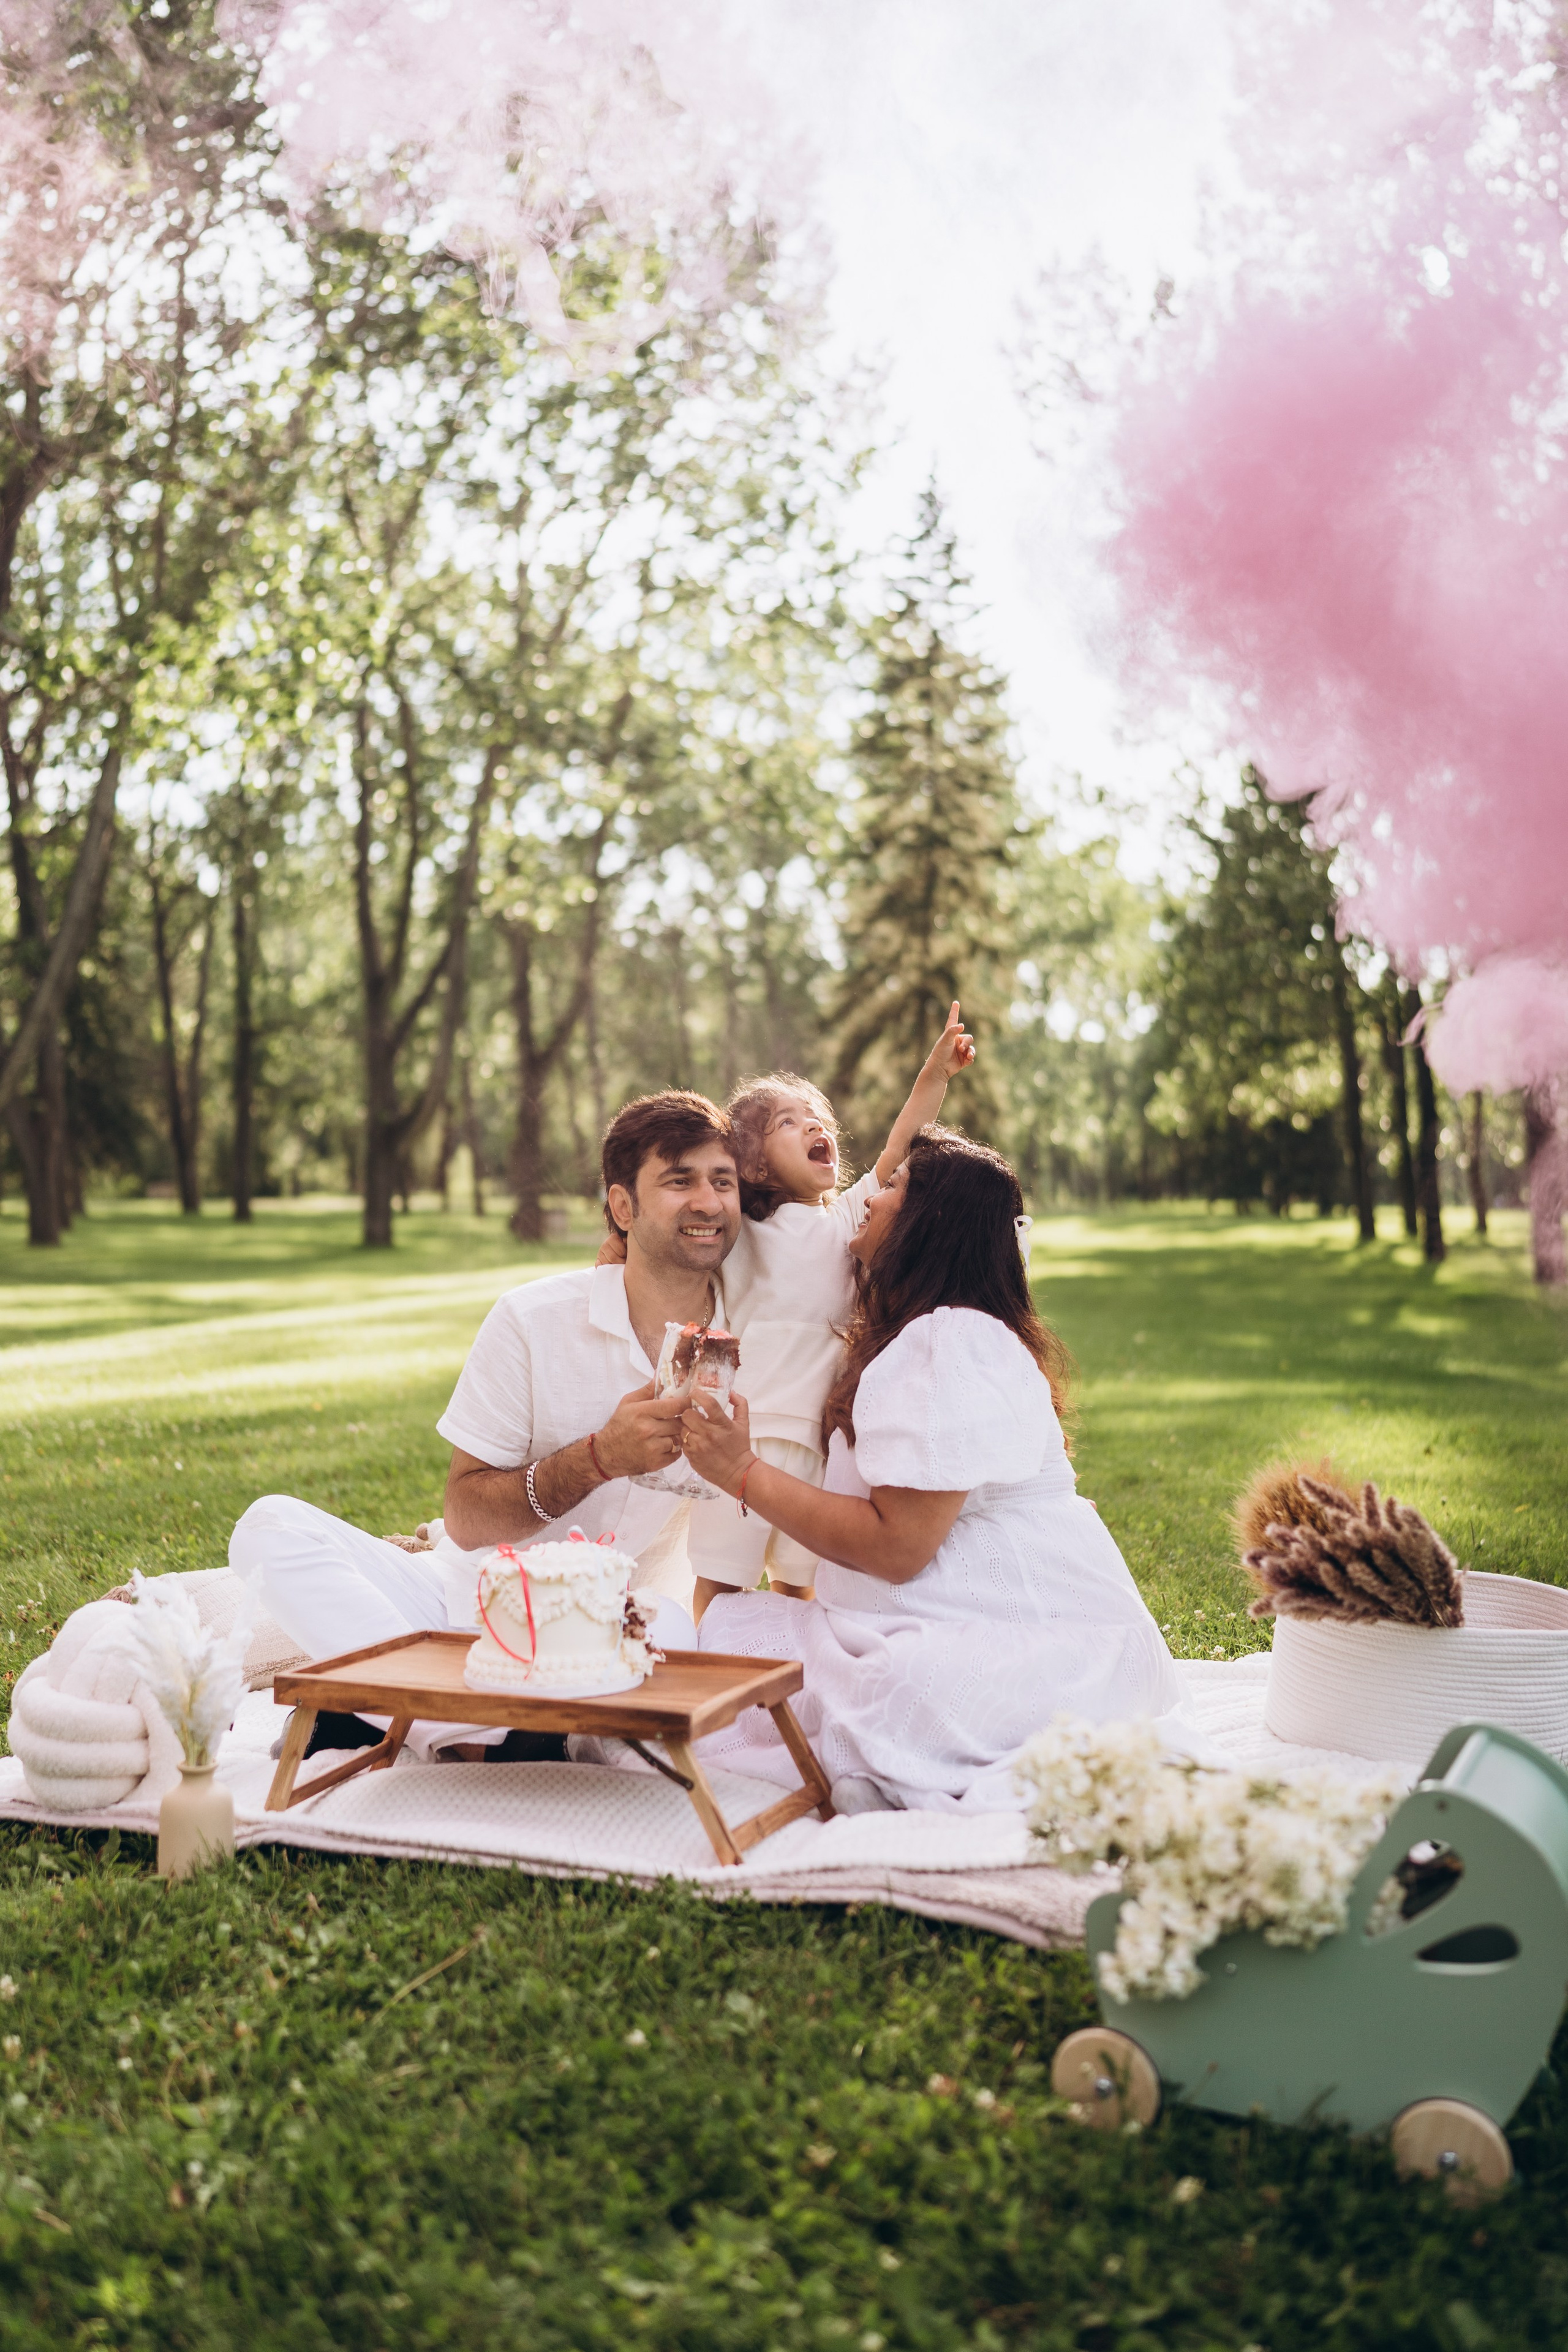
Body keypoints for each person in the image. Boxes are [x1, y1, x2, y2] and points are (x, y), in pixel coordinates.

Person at [676, 1126, 1186, 1812]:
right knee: (718, 1645)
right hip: (943, 1620)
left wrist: (741, 1472)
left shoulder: (949, 1341)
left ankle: (891, 1753)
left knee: (871, 1691)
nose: (871, 1199)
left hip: (1044, 1648)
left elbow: (897, 1548)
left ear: (926, 1225)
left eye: (891, 1189)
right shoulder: (929, 1332)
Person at [228, 1089, 741, 1752]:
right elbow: (466, 1519)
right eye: (680, 1181)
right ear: (622, 1205)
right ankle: (486, 1733)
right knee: (268, 1528)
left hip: (614, 1632)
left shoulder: (753, 1336)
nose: (707, 1202)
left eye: (721, 1182)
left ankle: (406, 1715)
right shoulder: (532, 1319)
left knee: (673, 1629)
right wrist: (598, 1459)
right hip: (458, 1611)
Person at [605, 1003, 978, 1623]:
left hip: (819, 1443)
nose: (812, 1127)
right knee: (722, 1581)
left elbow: (898, 1146)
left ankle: (792, 1687)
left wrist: (933, 1078)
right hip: (737, 1433)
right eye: (787, 1122)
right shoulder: (739, 1228)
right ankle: (711, 1679)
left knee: (801, 1587)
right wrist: (613, 1246)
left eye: (817, 1120)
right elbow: (673, 1229)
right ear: (751, 1163)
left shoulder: (847, 1221)